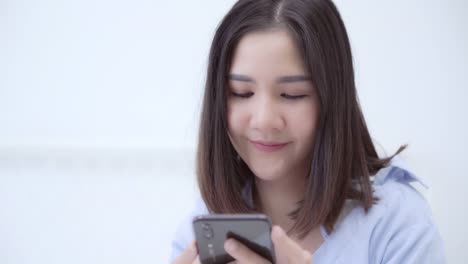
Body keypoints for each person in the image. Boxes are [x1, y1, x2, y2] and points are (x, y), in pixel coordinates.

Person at [170, 0, 445, 263]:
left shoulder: (396, 225)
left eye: (292, 94)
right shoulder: (199, 235)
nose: (264, 120)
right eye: (241, 93)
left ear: (332, 99)